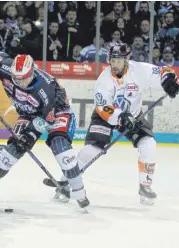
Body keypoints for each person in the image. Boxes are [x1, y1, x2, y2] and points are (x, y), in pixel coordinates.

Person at [0, 51, 90, 208]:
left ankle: (79, 190)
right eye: (16, 79)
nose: (19, 83)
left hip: (56, 113)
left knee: (59, 145)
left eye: (23, 80)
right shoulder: (2, 64)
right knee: (13, 149)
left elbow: (46, 120)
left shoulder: (47, 89)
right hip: (27, 113)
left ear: (32, 73)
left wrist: (29, 135)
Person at [73, 43, 179, 205]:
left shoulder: (139, 70)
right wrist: (120, 117)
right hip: (106, 118)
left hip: (133, 116)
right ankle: (68, 179)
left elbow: (164, 71)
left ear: (127, 60)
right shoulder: (104, 80)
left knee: (149, 144)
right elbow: (103, 108)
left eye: (118, 60)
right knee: (93, 149)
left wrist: (169, 80)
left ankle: (145, 186)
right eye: (112, 60)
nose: (114, 64)